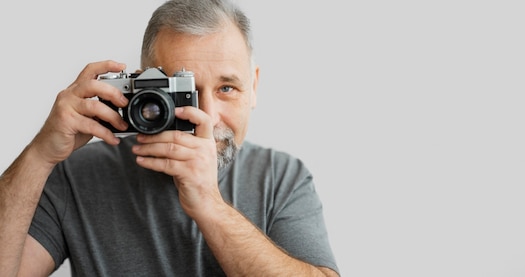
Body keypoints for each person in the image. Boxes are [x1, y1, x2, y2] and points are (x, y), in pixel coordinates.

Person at [0, 0, 339, 276]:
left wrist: (209, 205)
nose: (206, 115)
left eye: (226, 88)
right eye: (185, 92)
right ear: (142, 87)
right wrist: (39, 155)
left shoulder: (281, 177)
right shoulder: (76, 174)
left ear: (254, 88)